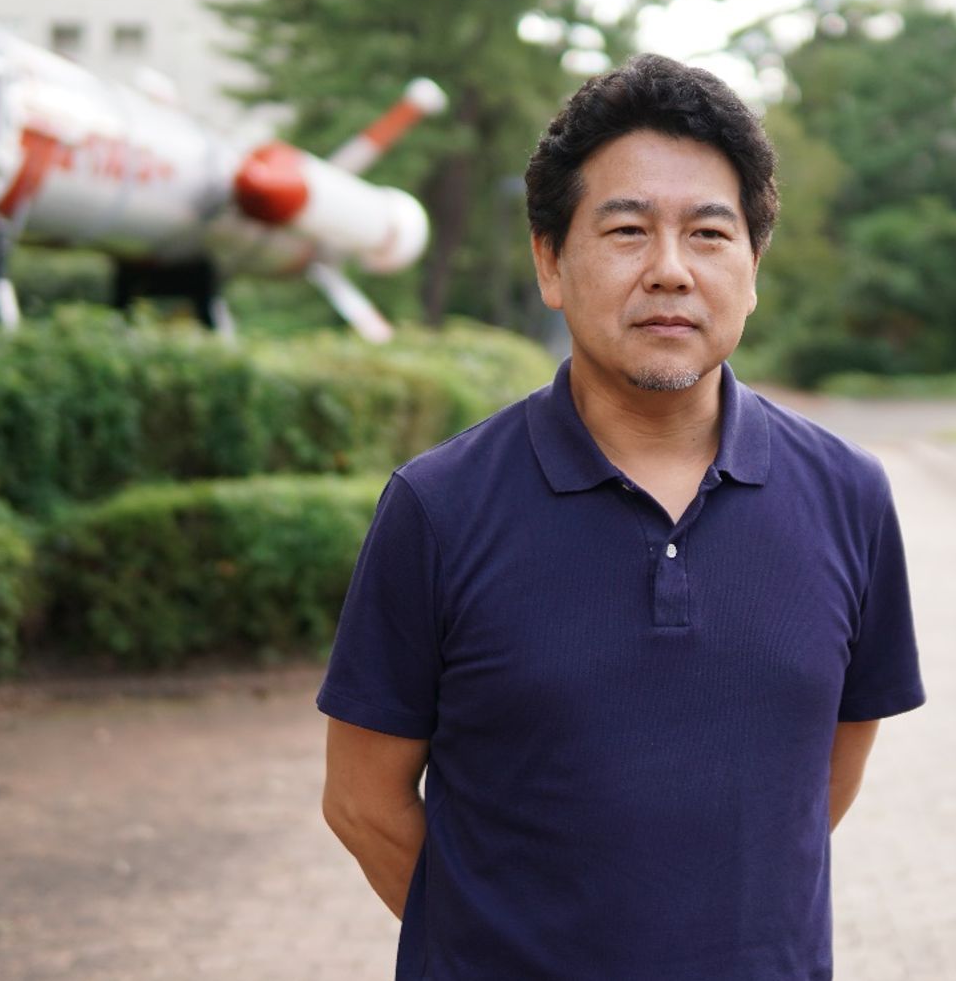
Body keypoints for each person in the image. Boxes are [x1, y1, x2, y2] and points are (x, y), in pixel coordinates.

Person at [318, 53, 924, 980]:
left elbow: (817, 784)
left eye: (709, 234)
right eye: (628, 230)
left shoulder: (849, 496)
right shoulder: (439, 508)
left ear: (753, 268)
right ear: (551, 262)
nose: (670, 271)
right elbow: (364, 801)